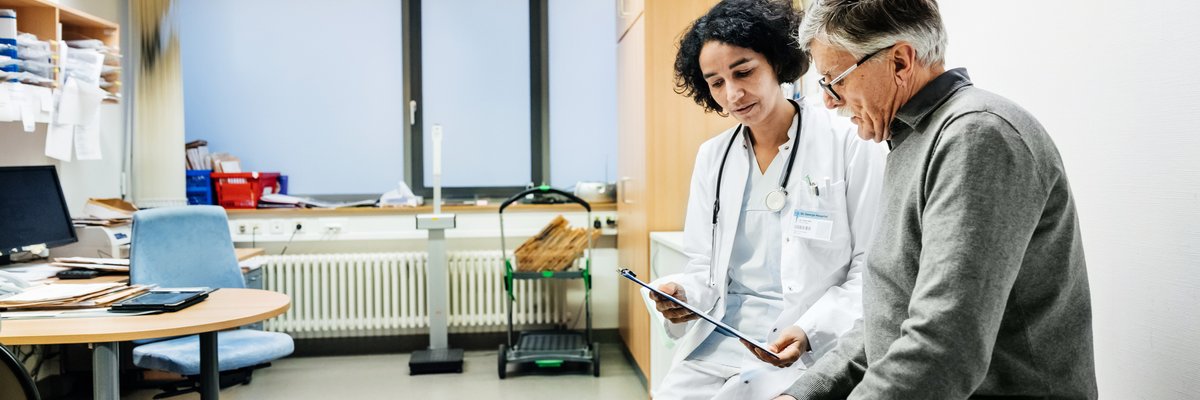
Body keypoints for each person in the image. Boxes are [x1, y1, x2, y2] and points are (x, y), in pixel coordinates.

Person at [776, 0, 1098, 399]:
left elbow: (945, 343)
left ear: (899, 62)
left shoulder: (978, 136)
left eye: (834, 80)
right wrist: (805, 392)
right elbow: (888, 320)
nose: (829, 101)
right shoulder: (913, 140)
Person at [643, 0, 886, 398]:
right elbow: (704, 265)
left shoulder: (846, 142)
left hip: (804, 340)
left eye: (744, 72)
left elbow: (870, 269)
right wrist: (684, 295)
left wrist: (812, 330)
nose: (733, 94)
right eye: (716, 82)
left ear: (776, 62)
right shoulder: (713, 158)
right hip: (722, 339)